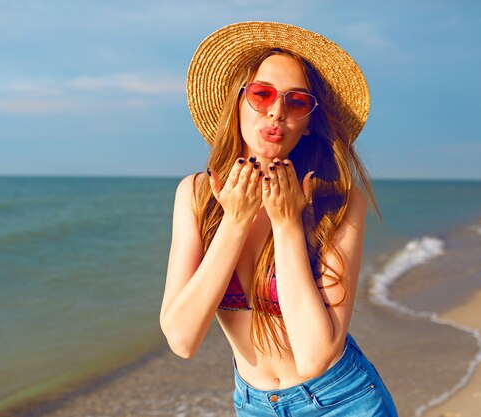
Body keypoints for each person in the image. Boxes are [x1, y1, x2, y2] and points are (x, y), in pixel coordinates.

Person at [160, 21, 398, 416]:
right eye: (261, 93)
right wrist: (235, 222)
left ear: (308, 125)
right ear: (237, 104)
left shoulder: (338, 201)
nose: (276, 110)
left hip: (343, 400)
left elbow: (315, 357)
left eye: (296, 102)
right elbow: (182, 340)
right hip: (254, 405)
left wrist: (288, 224)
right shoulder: (196, 196)